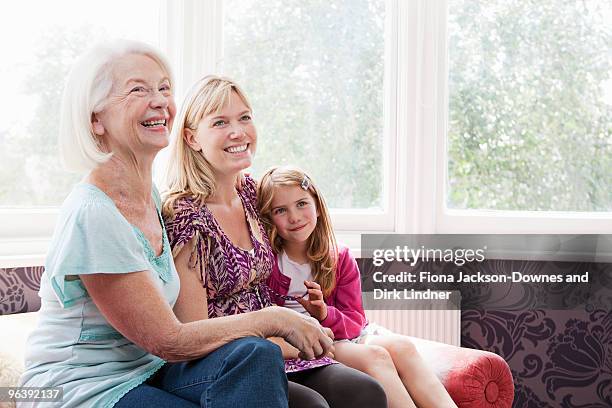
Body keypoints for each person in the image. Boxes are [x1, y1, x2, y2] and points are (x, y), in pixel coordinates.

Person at [19, 40, 334, 408]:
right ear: (95, 118)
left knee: (255, 355)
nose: (160, 100)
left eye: (164, 88)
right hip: (79, 387)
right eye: (139, 89)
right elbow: (168, 340)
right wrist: (275, 319)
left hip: (149, 371)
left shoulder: (149, 197)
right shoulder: (94, 214)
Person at [162, 75, 387, 408]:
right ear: (192, 138)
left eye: (245, 117)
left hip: (280, 343)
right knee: (312, 406)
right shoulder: (184, 213)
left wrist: (316, 319)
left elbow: (298, 239)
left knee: (365, 392)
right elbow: (196, 330)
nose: (238, 131)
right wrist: (292, 340)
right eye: (220, 122)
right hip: (231, 359)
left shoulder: (252, 194)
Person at [257, 165, 459, 408]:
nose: (295, 217)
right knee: (376, 356)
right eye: (281, 210)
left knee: (403, 347)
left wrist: (324, 313)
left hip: (346, 334)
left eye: (302, 204)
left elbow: (355, 322)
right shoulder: (266, 264)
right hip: (318, 342)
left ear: (318, 207)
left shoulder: (339, 257)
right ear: (269, 219)